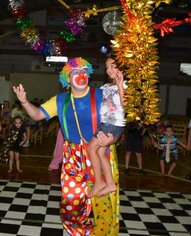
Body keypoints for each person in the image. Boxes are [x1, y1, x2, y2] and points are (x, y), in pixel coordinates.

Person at [13, 57, 119, 235]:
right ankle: (79, 233)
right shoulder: (60, 99)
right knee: (71, 203)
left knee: (103, 207)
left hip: (100, 153)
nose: (81, 75)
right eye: (75, 73)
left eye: (84, 72)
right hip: (72, 157)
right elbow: (37, 114)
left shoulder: (102, 94)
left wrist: (113, 138)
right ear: (67, 79)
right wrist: (24, 102)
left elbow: (118, 120)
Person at [87, 56, 126, 197]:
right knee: (100, 152)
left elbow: (126, 106)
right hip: (106, 123)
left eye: (112, 66)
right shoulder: (107, 86)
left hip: (112, 124)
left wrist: (120, 85)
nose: (109, 70)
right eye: (107, 67)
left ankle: (99, 182)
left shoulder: (126, 85)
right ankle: (109, 183)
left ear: (121, 67)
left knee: (91, 148)